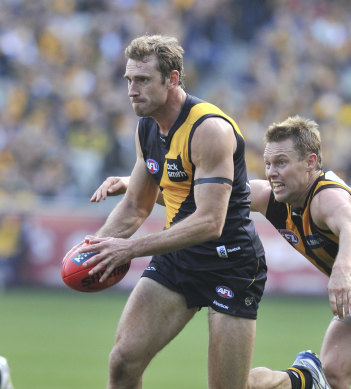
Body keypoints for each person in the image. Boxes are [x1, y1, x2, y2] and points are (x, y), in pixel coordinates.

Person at [91, 116, 351, 389]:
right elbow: (214, 196)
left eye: (282, 163)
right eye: (269, 163)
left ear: (312, 163)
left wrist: (341, 273)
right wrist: (132, 185)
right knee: (332, 375)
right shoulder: (274, 196)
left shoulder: (327, 197)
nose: (272, 173)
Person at [72, 33, 275, 389]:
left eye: (143, 80)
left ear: (173, 79)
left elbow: (211, 222)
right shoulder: (147, 127)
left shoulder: (209, 129)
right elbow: (136, 206)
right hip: (178, 259)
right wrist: (98, 246)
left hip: (231, 264)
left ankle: (300, 379)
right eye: (129, 80)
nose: (132, 90)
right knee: (122, 362)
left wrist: (130, 249)